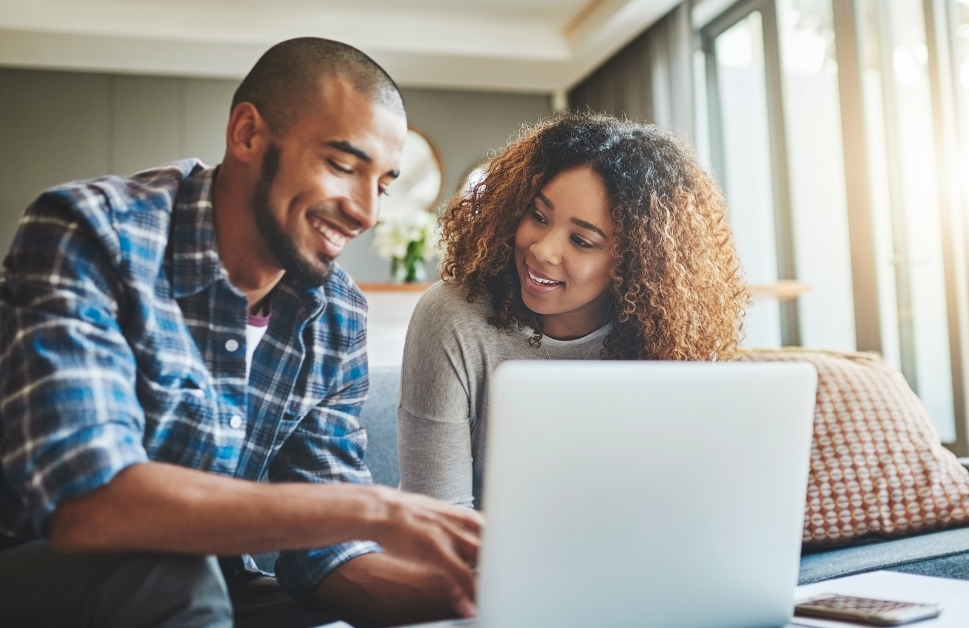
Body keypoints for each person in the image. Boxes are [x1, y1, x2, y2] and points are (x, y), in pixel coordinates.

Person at [0, 38, 482, 627]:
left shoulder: (336, 314)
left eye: (381, 185)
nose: (366, 213)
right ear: (247, 134)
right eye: (341, 166)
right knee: (174, 579)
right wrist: (372, 508)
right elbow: (88, 504)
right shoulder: (93, 234)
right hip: (40, 569)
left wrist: (470, 590)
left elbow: (326, 558)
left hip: (207, 582)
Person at [400, 113, 750, 508]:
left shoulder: (670, 339)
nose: (542, 250)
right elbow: (435, 517)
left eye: (582, 241)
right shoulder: (453, 317)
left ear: (636, 262)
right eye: (538, 216)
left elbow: (685, 499)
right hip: (478, 546)